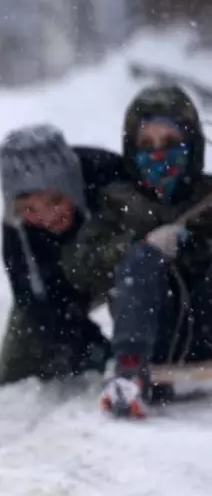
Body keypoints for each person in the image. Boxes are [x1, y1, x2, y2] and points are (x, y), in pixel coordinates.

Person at [60, 84, 212, 418]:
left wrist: (196, 244)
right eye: (147, 146)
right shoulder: (118, 202)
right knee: (142, 259)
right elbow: (79, 266)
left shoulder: (207, 195)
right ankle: (128, 377)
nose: (159, 155)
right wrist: (138, 248)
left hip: (206, 324)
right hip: (151, 336)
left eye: (171, 144)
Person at [0, 124, 130, 386]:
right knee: (15, 372)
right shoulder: (17, 229)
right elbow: (34, 299)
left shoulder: (110, 176)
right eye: (29, 209)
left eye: (56, 201)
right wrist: (89, 345)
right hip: (67, 280)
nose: (47, 218)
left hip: (122, 264)